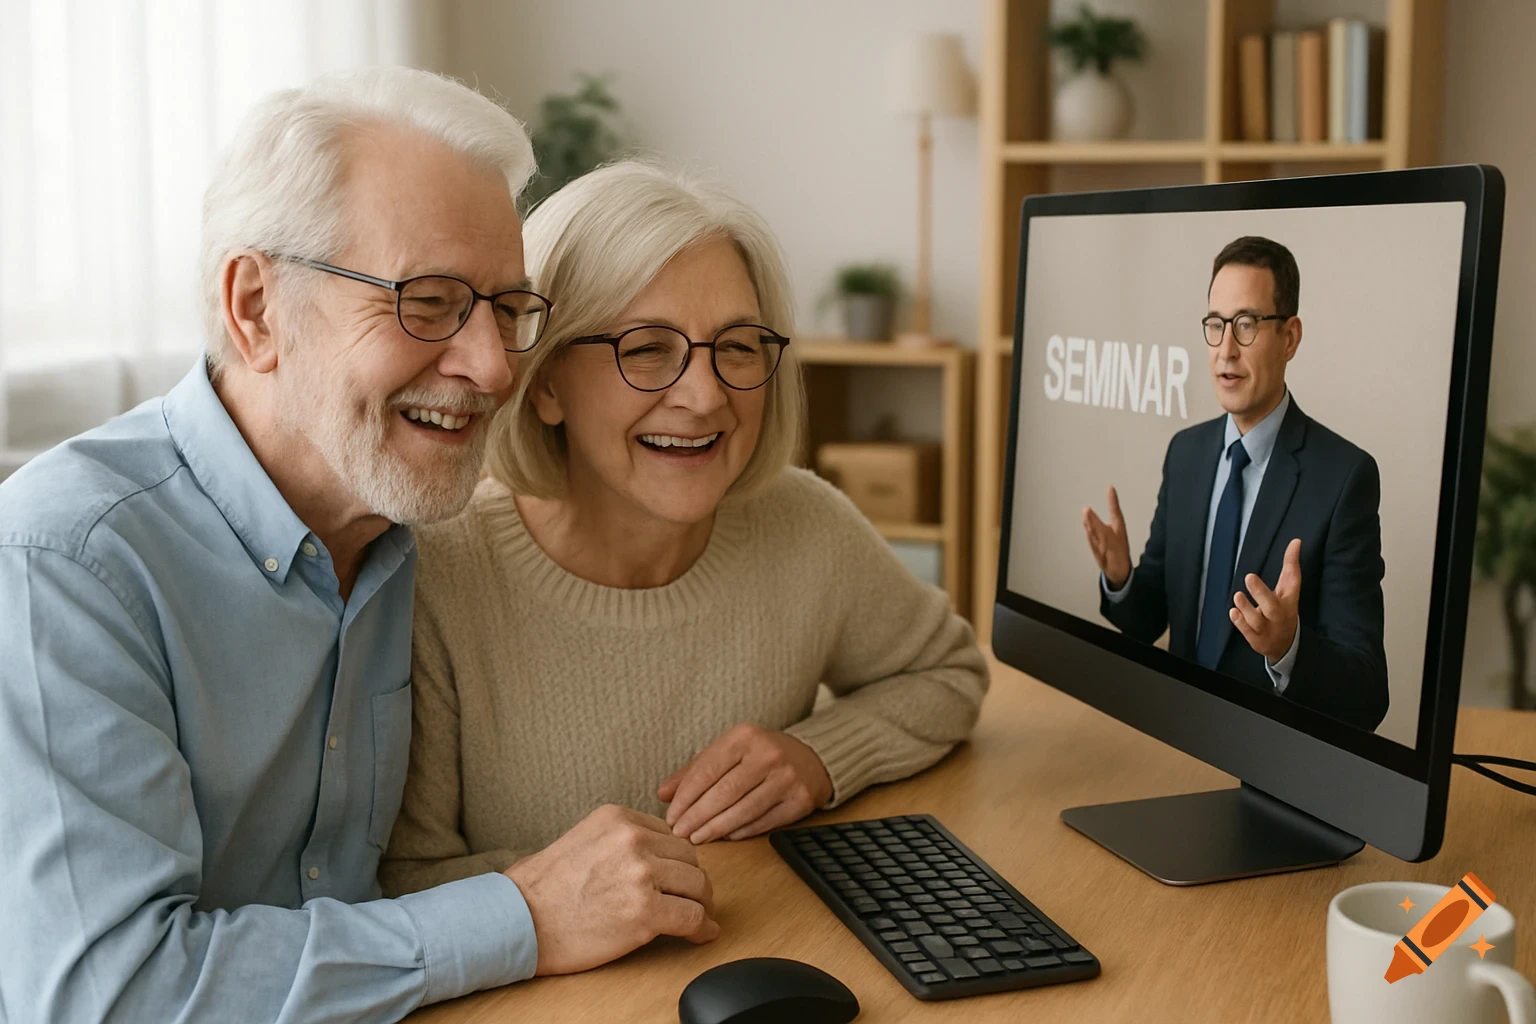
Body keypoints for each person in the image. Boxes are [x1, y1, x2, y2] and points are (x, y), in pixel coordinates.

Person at [0, 70, 716, 1024]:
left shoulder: (404, 518)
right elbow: (112, 994)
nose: (494, 364)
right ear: (256, 309)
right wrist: (521, 916)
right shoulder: (65, 564)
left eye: (508, 308)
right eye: (427, 301)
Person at [380, 162, 989, 894]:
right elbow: (407, 877)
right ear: (543, 383)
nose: (704, 397)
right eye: (644, 350)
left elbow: (948, 673)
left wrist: (819, 758)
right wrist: (573, 890)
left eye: (736, 347)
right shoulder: (437, 577)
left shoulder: (805, 523)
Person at [1081, 235, 1388, 731]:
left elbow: (1369, 694)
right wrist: (1122, 580)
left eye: (1246, 325)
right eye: (1215, 325)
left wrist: (1289, 648)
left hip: (1270, 763)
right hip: (1177, 741)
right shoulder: (1186, 453)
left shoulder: (1345, 478)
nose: (1226, 349)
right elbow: (1148, 620)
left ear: (1289, 338)